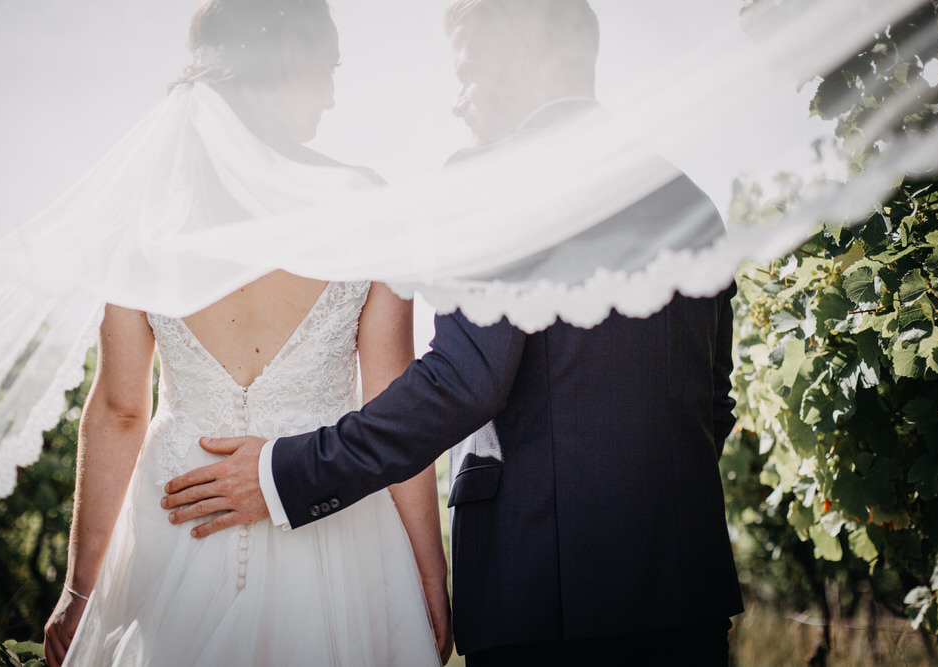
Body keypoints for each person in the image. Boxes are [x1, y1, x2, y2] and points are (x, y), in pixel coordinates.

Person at [163, 0, 744, 664]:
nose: (457, 102)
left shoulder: (493, 176)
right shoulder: (689, 199)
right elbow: (712, 404)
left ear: (526, 45)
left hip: (538, 596)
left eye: (466, 65)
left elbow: (466, 381)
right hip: (687, 599)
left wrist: (285, 472)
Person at [42, 1, 450, 665]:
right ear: (292, 56)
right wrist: (430, 574)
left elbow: (119, 412)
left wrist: (80, 588)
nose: (334, 92)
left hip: (179, 531)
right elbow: (392, 408)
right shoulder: (367, 206)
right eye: (330, 66)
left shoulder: (149, 214)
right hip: (336, 532)